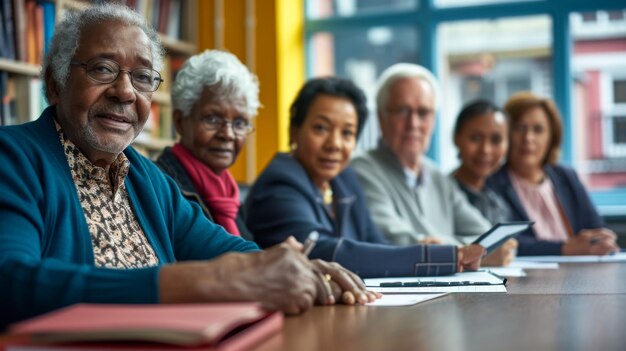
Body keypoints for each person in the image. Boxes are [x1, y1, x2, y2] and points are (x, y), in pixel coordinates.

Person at [0, 4, 373, 328]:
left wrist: (296, 269)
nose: (125, 92)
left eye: (142, 77)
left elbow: (227, 252)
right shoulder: (14, 157)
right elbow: (10, 282)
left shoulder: (146, 179)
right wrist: (188, 283)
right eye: (102, 69)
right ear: (55, 84)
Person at [245, 77, 485, 278]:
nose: (335, 144)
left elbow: (377, 243)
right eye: (321, 128)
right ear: (294, 131)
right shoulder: (281, 182)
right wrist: (446, 257)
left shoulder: (343, 179)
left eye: (347, 133)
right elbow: (322, 252)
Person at [350, 64, 515, 266]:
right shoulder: (360, 170)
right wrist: (470, 252)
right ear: (381, 118)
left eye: (423, 113)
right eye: (402, 111)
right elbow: (395, 241)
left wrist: (444, 248)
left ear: (434, 120)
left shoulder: (438, 177)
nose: (413, 124)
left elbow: (492, 237)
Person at [487, 91, 620, 256]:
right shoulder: (491, 183)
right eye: (519, 128)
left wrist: (602, 240)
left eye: (538, 129)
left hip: (578, 272)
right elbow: (505, 244)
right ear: (505, 133)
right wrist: (565, 247)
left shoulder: (566, 176)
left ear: (552, 137)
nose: (528, 138)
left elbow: (595, 227)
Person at [155, 49, 258, 240]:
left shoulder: (231, 196)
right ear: (180, 122)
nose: (227, 134)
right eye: (212, 119)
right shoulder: (159, 186)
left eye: (239, 123)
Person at [451, 99, 514, 225]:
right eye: (476, 138)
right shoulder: (442, 194)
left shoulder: (498, 202)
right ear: (456, 138)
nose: (485, 150)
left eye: (496, 140)